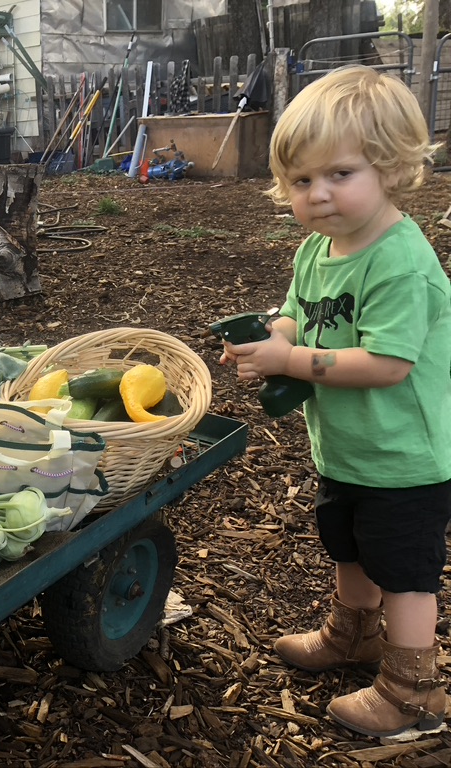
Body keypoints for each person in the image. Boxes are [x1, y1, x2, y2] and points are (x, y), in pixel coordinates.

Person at [220, 64, 451, 738]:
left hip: (404, 458)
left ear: (392, 167)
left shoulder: (399, 261)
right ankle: (354, 636)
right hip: (349, 448)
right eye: (301, 181)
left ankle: (414, 695)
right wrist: (269, 340)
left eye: (340, 174)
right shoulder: (318, 250)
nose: (317, 194)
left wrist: (289, 361)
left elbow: (387, 364)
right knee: (348, 548)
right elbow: (296, 316)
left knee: (405, 575)